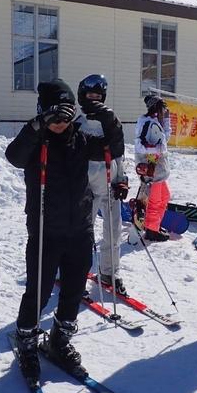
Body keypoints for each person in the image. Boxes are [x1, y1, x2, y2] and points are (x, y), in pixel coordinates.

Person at [6, 78, 124, 385]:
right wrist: (37, 125)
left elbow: (113, 149)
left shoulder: (82, 140)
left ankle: (59, 340)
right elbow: (14, 156)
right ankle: (28, 342)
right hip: (46, 231)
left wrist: (109, 120)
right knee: (39, 291)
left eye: (65, 114)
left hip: (80, 229)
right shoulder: (36, 143)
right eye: (54, 115)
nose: (60, 122)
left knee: (73, 290)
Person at [75, 74, 129, 295]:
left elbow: (119, 153)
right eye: (90, 96)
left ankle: (109, 271)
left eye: (98, 96)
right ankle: (75, 274)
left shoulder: (109, 119)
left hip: (110, 183)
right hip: (87, 187)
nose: (94, 101)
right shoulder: (78, 122)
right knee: (82, 234)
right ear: (82, 97)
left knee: (114, 231)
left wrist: (122, 180)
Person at [134, 94, 172, 242]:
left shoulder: (156, 121)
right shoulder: (145, 122)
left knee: (165, 197)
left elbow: (165, 139)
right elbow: (139, 145)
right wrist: (156, 149)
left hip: (159, 170)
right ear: (156, 107)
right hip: (152, 170)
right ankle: (151, 230)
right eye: (163, 107)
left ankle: (155, 225)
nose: (165, 110)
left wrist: (167, 120)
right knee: (155, 201)